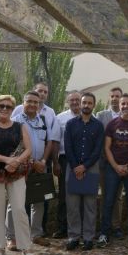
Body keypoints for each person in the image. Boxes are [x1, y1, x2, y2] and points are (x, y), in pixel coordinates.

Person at [0, 95, 35, 255]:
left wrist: (16, 161)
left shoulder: (20, 127)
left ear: (13, 110)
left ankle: (25, 247)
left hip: (16, 172)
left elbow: (28, 149)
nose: (4, 109)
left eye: (8, 107)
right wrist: (6, 160)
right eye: (1, 106)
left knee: (19, 209)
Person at [11, 81, 61, 239]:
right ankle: (13, 237)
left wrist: (44, 161)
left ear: (39, 104)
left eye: (35, 102)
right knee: (16, 202)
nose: (33, 104)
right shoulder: (16, 121)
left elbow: (49, 141)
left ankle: (36, 234)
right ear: (23, 103)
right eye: (29, 101)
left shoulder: (44, 120)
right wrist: (32, 161)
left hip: (40, 166)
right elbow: (14, 144)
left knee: (39, 202)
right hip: (20, 166)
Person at [99, 93, 128, 249]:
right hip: (113, 169)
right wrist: (116, 166)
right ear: (119, 105)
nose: (125, 106)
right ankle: (104, 234)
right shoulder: (112, 124)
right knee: (109, 201)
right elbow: (107, 147)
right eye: (122, 104)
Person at [64, 93, 104, 251]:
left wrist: (84, 166)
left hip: (91, 167)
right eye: (84, 102)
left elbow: (97, 150)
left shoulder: (98, 125)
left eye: (89, 103)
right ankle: (73, 237)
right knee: (72, 206)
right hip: (72, 167)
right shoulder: (71, 124)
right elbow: (68, 147)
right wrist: (76, 166)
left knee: (90, 205)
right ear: (80, 104)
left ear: (94, 105)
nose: (86, 105)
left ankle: (88, 237)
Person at [95, 87, 125, 242]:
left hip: (121, 164)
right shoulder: (101, 115)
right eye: (112, 96)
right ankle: (104, 226)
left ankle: (116, 226)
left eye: (117, 96)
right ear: (109, 97)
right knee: (106, 195)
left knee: (118, 197)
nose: (114, 98)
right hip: (104, 163)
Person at [52, 91, 81, 239]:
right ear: (67, 102)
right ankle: (62, 227)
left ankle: (79, 228)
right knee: (64, 195)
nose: (75, 102)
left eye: (78, 100)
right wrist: (55, 162)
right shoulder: (60, 118)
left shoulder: (91, 117)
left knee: (82, 194)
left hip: (83, 162)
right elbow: (55, 141)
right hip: (64, 159)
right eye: (72, 100)